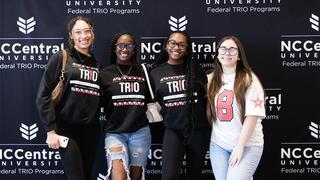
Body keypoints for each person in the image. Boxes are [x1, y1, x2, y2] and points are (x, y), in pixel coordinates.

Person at [36, 16, 100, 180]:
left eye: (87, 31)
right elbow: (43, 95)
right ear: (71, 35)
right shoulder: (62, 57)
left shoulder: (97, 64)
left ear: (93, 34)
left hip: (91, 131)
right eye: (78, 32)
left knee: (86, 176)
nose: (83, 36)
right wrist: (50, 130)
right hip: (67, 130)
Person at [149, 31, 211, 180]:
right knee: (168, 176)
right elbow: (153, 105)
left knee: (194, 175)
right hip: (173, 130)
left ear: (187, 48)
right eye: (172, 43)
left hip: (198, 130)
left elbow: (207, 100)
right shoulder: (155, 73)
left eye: (182, 44)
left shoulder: (197, 70)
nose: (176, 47)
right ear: (166, 46)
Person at [207, 36, 266, 180]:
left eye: (232, 49)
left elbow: (252, 116)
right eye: (223, 49)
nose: (227, 52)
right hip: (219, 144)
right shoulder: (210, 79)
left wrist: (239, 147)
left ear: (239, 56)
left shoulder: (249, 79)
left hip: (247, 145)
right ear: (217, 53)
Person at [99, 32, 151, 180]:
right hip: (115, 133)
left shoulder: (143, 72)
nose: (125, 49)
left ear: (134, 49)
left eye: (129, 46)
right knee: (118, 177)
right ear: (115, 48)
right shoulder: (104, 74)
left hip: (140, 131)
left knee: (136, 177)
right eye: (121, 45)